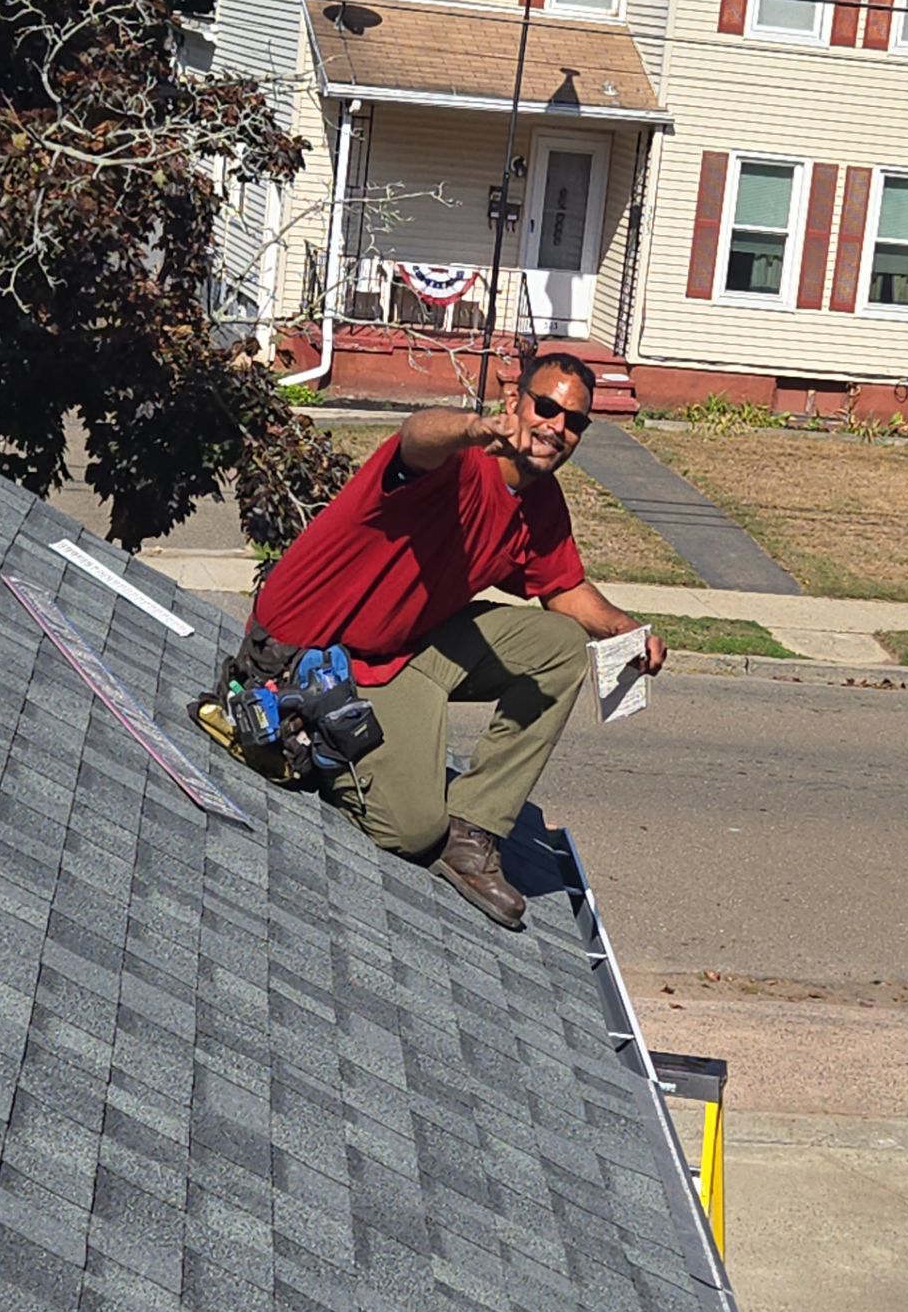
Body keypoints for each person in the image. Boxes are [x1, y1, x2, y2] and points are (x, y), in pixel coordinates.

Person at [250, 351, 666, 928]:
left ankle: (473, 829)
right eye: (545, 407)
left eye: (574, 421)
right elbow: (416, 436)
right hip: (308, 655)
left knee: (562, 646)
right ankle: (314, 743)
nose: (557, 427)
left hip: (405, 647)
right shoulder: (456, 460)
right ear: (513, 403)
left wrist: (625, 629)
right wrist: (474, 429)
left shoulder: (539, 503)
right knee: (412, 831)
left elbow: (563, 587)